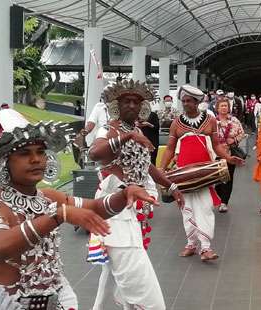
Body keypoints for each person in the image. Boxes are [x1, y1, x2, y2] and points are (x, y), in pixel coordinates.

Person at [0, 108, 157, 310]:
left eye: (41, 152)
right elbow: (0, 245)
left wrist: (124, 194)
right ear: (5, 162)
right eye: (25, 154)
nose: (36, 159)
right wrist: (58, 215)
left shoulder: (48, 196)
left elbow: (95, 207)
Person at [88, 79, 184, 310]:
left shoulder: (137, 130)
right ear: (116, 106)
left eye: (136, 102)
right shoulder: (109, 129)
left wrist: (171, 186)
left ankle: (112, 305)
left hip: (135, 206)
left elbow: (146, 165)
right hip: (115, 208)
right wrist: (126, 137)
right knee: (129, 262)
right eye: (126, 102)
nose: (132, 106)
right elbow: (94, 153)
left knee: (113, 268)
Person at [159, 85, 244, 262]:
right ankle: (191, 244)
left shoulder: (210, 120)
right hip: (183, 172)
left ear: (197, 102)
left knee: (205, 207)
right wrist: (161, 169)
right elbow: (169, 149)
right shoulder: (176, 123)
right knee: (186, 208)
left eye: (189, 101)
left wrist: (228, 158)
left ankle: (205, 247)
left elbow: (216, 146)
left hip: (204, 172)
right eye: (183, 101)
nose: (185, 104)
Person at [214, 98, 246, 213]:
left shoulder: (234, 120)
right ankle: (219, 196)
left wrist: (235, 141)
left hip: (230, 153)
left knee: (228, 177)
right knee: (217, 178)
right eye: (221, 106)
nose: (224, 108)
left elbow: (242, 133)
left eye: (226, 106)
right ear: (217, 108)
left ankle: (224, 202)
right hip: (215, 154)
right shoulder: (213, 121)